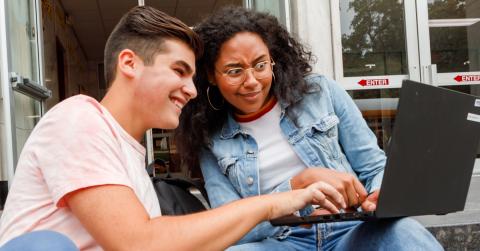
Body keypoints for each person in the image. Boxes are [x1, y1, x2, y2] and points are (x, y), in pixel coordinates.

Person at [0, 6, 346, 251]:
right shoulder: (78, 119)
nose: (192, 89)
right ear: (130, 63)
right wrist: (275, 202)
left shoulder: (128, 158)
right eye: (179, 71)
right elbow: (139, 244)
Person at [175, 6, 444, 250]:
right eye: (235, 71)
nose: (252, 81)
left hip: (350, 231)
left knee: (404, 232)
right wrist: (297, 187)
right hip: (280, 242)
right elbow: (229, 228)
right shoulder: (210, 137)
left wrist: (380, 193)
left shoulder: (320, 92)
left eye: (260, 65)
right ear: (211, 75)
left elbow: (374, 167)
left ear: (273, 60)